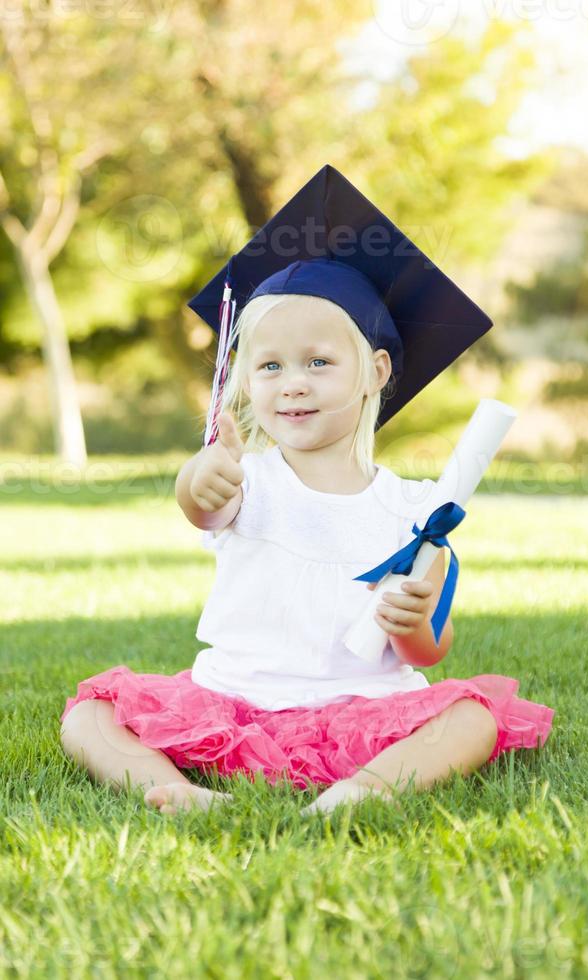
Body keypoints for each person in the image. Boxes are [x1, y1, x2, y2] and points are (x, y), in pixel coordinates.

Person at [59, 165, 554, 816]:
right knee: (89, 714)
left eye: (319, 362)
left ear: (376, 371)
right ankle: (173, 790)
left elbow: (431, 644)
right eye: (269, 366)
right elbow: (202, 504)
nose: (292, 383)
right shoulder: (248, 480)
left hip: (364, 712)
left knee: (473, 719)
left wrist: (414, 629)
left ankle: (364, 791)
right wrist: (199, 475)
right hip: (233, 702)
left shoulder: (415, 509)